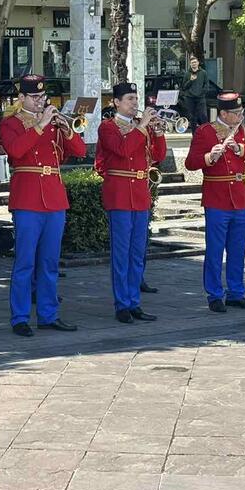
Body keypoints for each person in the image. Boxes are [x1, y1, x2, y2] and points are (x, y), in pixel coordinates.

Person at [0, 74, 85, 337]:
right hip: (27, 199)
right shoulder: (10, 123)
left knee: (49, 262)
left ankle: (48, 314)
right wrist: (40, 125)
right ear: (21, 98)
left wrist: (66, 128)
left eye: (42, 97)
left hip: (54, 197)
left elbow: (80, 151)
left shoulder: (53, 123)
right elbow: (15, 151)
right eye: (34, 97)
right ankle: (20, 317)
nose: (40, 101)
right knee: (25, 262)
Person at [185, 91, 245, 313]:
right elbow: (191, 163)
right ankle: (214, 294)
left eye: (241, 112)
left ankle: (236, 293)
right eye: (236, 113)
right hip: (216, 198)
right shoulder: (205, 132)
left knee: (238, 250)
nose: (240, 116)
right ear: (223, 113)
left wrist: (243, 149)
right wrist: (210, 156)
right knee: (214, 250)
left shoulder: (244, 132)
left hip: (239, 199)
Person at [97, 81, 167, 324]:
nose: (135, 104)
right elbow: (122, 150)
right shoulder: (108, 127)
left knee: (138, 253)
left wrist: (157, 133)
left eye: (136, 99)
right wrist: (144, 126)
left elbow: (158, 156)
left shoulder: (141, 127)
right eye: (129, 99)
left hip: (140, 194)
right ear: (116, 102)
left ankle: (134, 301)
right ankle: (122, 304)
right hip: (119, 194)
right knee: (121, 253)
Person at [179, 56, 210, 126]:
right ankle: (194, 135)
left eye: (195, 62)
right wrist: (190, 81)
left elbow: (206, 84)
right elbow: (184, 87)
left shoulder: (203, 73)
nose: (194, 64)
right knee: (192, 117)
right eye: (192, 63)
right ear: (190, 64)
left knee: (203, 116)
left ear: (198, 63)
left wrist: (202, 92)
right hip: (190, 98)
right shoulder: (187, 74)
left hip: (200, 98)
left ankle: (205, 134)